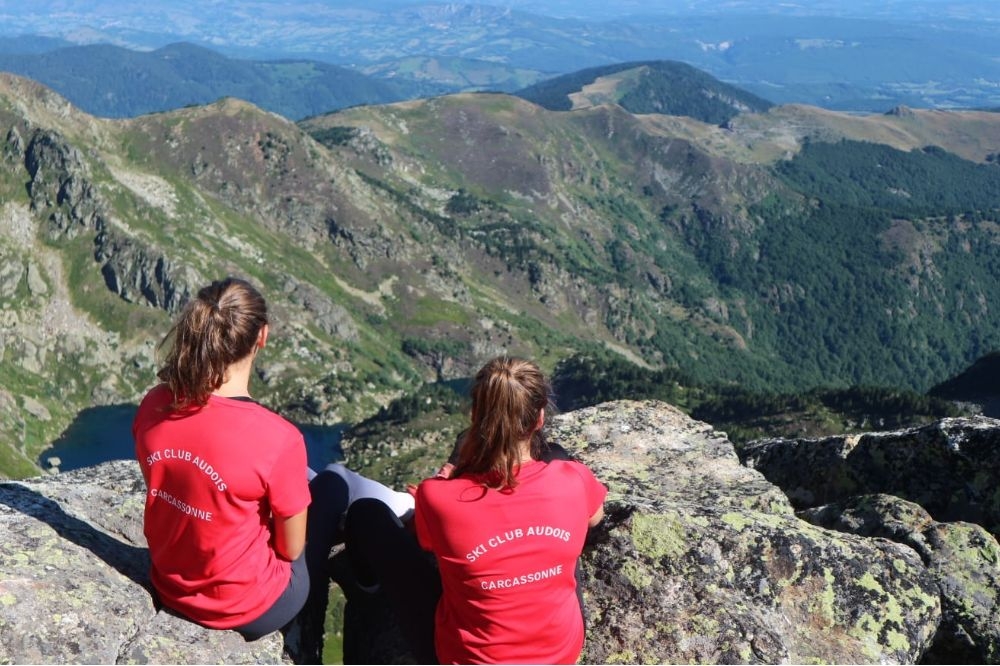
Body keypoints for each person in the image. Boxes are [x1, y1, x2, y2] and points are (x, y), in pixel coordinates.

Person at [132, 277, 411, 657]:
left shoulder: (156, 404)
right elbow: (290, 547)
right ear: (261, 336)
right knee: (333, 485)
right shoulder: (277, 438)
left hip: (171, 585)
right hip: (250, 609)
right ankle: (366, 577)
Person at [345, 356, 607, 664]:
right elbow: (595, 517)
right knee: (560, 473)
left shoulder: (438, 496)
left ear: (475, 416)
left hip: (469, 658)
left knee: (367, 514)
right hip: (560, 654)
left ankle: (367, 593)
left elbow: (427, 544)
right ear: (539, 418)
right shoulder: (573, 479)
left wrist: (449, 481)